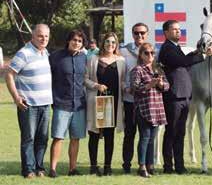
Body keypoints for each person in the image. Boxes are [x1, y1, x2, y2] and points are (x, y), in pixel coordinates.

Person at [158, 20, 212, 174]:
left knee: (180, 133)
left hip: (184, 96)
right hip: (174, 96)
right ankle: (168, 167)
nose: (178, 31)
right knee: (171, 132)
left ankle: (180, 166)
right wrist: (203, 55)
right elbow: (182, 62)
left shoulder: (176, 47)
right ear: (166, 32)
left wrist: (198, 51)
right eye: (174, 29)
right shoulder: (167, 48)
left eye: (179, 29)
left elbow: (186, 60)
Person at [5, 24, 52, 178]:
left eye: (46, 36)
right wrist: (16, 97)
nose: (43, 39)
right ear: (33, 36)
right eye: (40, 35)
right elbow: (9, 74)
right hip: (28, 105)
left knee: (42, 138)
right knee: (28, 138)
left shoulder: (45, 52)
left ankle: (40, 168)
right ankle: (28, 170)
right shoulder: (23, 53)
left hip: (45, 104)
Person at [85, 32, 125, 176]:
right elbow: (85, 79)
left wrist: (126, 87)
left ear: (116, 45)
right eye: (107, 42)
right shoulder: (93, 59)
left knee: (109, 136)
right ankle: (93, 166)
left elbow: (123, 81)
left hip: (112, 104)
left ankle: (107, 167)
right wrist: (96, 85)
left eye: (113, 42)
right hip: (96, 102)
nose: (110, 45)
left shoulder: (121, 61)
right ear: (103, 43)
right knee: (94, 135)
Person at [48, 30, 87, 178]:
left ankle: (72, 168)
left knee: (75, 138)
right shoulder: (55, 57)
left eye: (79, 41)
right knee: (58, 137)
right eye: (74, 40)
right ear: (68, 41)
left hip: (79, 104)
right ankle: (52, 169)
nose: (76, 43)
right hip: (61, 103)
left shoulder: (84, 57)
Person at [132, 42, 169, 178]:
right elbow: (135, 88)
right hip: (144, 108)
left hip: (157, 107)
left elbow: (167, 86)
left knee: (152, 139)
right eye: (146, 53)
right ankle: (142, 166)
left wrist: (160, 84)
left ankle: (150, 165)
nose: (150, 55)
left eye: (152, 53)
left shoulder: (157, 69)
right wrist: (149, 85)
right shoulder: (138, 69)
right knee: (144, 137)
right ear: (141, 55)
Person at [120, 22, 149, 173]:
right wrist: (125, 88)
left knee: (146, 135)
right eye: (136, 33)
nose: (140, 35)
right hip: (130, 101)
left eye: (142, 33)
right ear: (132, 34)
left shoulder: (151, 51)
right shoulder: (123, 51)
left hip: (146, 102)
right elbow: (121, 74)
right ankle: (126, 165)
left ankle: (145, 165)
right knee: (130, 134)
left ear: (147, 34)